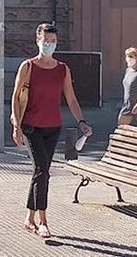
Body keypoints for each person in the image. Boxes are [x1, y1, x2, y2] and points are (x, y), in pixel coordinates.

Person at [10, 23, 91, 239]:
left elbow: (71, 98)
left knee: (40, 172)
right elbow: (16, 96)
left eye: (53, 41)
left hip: (53, 126)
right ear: (37, 40)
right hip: (31, 125)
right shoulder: (27, 66)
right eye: (45, 40)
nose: (49, 44)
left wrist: (81, 121)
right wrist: (16, 125)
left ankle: (28, 218)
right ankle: (43, 221)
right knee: (42, 170)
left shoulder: (63, 69)